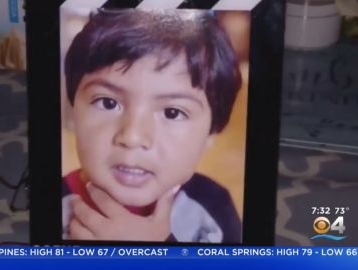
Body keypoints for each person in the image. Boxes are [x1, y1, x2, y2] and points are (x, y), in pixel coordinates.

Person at [61, 8, 242, 243]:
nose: (133, 136)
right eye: (107, 102)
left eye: (172, 112)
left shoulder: (212, 208)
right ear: (73, 110)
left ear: (212, 130)